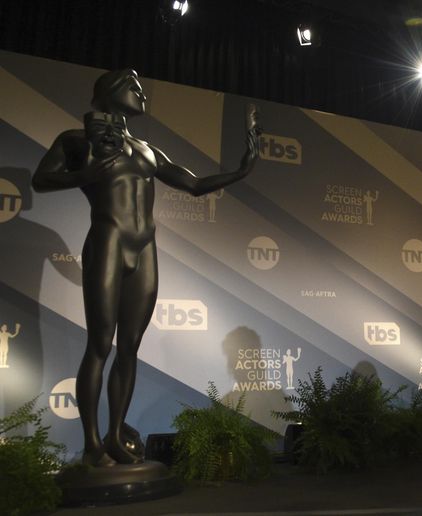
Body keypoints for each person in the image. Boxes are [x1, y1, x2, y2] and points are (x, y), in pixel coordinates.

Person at [32, 69, 260, 467]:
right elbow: (40, 179)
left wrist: (241, 171)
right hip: (108, 241)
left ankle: (116, 435)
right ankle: (91, 445)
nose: (142, 94)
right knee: (100, 346)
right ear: (112, 92)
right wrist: (86, 173)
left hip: (145, 249)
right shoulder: (77, 140)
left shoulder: (146, 149)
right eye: (134, 88)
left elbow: (193, 184)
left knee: (129, 349)